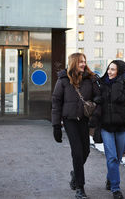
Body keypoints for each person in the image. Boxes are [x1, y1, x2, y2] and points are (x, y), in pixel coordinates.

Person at [52, 53, 101, 199]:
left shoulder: (90, 79)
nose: (83, 64)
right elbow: (56, 102)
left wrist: (95, 112)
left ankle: (75, 173)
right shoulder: (63, 80)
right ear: (74, 63)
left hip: (84, 120)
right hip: (70, 120)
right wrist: (56, 126)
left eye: (85, 61)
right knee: (78, 152)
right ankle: (80, 188)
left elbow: (98, 97)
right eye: (80, 62)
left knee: (85, 151)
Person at [90, 60, 125, 199]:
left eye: (113, 70)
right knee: (112, 158)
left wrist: (119, 82)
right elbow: (95, 99)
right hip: (106, 127)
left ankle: (110, 179)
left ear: (120, 72)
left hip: (121, 127)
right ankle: (116, 189)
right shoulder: (101, 85)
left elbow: (117, 98)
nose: (109, 72)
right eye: (109, 69)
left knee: (118, 158)